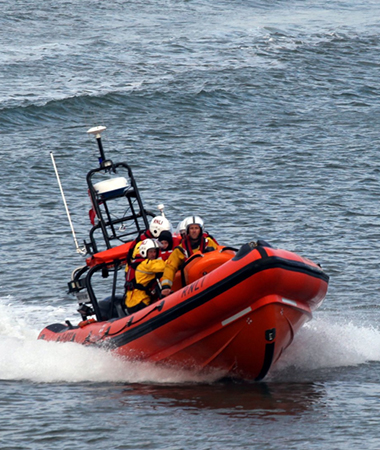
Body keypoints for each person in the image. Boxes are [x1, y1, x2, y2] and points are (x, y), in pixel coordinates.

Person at [160, 216, 218, 296]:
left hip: (209, 279)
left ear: (200, 230)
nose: (194, 231)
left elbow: (219, 257)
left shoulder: (209, 243)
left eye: (196, 228)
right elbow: (170, 267)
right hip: (190, 286)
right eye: (191, 228)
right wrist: (166, 286)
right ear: (188, 230)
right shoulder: (181, 249)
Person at [125, 239, 166, 314]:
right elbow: (164, 266)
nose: (153, 254)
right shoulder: (145, 265)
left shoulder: (134, 263)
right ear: (144, 252)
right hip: (140, 302)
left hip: (131, 303)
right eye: (151, 252)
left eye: (155, 252)